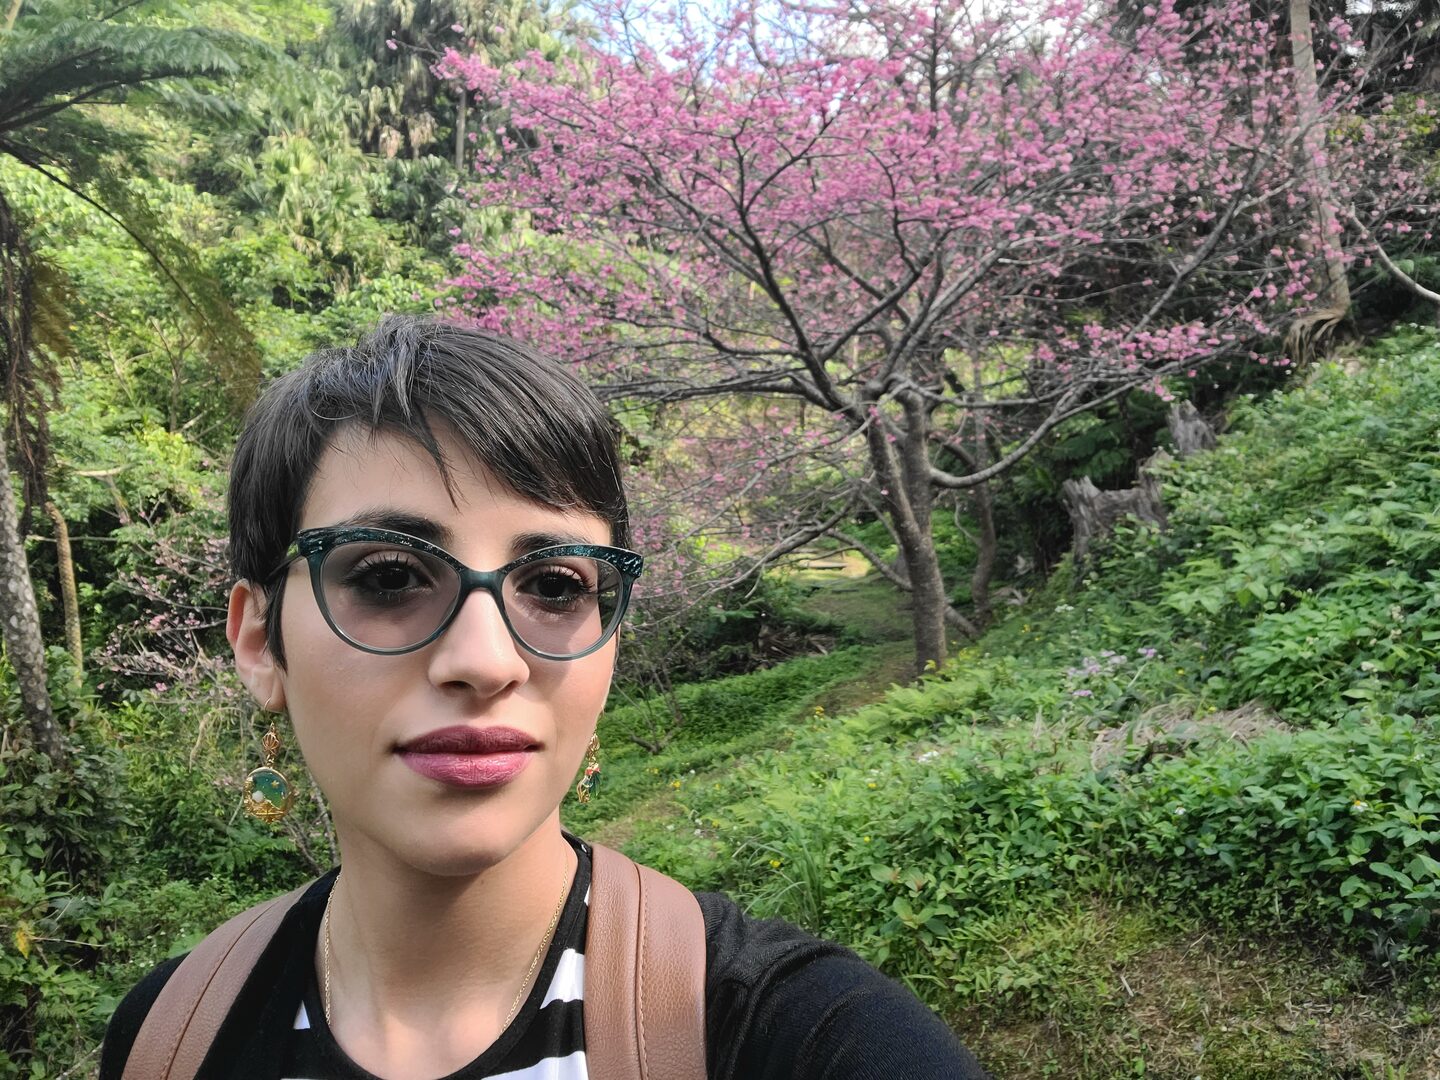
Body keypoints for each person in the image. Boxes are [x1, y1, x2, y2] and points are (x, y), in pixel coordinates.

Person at [99, 316, 989, 1079]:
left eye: (557, 585)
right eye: (389, 576)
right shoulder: (171, 1036)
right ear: (261, 641)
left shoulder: (784, 1030)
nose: (487, 662)